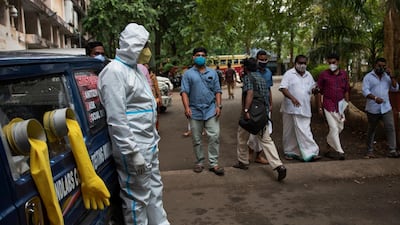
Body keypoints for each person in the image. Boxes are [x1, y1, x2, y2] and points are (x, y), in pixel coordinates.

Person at [97, 23, 170, 225]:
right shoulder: (114, 72)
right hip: (134, 148)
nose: (147, 51)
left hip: (148, 144)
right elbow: (117, 119)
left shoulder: (136, 70)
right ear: (133, 46)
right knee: (137, 200)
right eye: (144, 46)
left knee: (155, 191)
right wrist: (132, 153)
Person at [232, 58, 286, 181]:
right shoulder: (261, 78)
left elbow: (250, 93)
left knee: (242, 137)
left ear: (245, 68)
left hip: (250, 115)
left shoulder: (248, 78)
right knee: (266, 140)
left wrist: (246, 110)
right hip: (262, 114)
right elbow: (266, 95)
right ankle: (278, 165)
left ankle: (243, 161)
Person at [180, 47, 224, 176]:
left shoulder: (212, 73)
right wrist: (186, 108)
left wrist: (218, 106)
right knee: (196, 138)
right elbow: (184, 92)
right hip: (194, 110)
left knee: (214, 135)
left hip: (210, 109)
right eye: (198, 55)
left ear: (206, 57)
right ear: (193, 57)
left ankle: (213, 163)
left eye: (203, 55)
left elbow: (218, 90)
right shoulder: (188, 74)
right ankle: (199, 162)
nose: (200, 57)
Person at [279, 55, 321, 162]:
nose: (302, 65)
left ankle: (312, 152)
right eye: (300, 63)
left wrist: (315, 90)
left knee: (304, 130)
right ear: (295, 63)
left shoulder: (308, 75)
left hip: (304, 108)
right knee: (289, 131)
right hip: (290, 108)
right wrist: (292, 98)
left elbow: (312, 88)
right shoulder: (289, 74)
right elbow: (283, 88)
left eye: (304, 63)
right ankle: (290, 152)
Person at [362, 57, 399, 158]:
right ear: (375, 65)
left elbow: (395, 88)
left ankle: (392, 150)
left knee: (390, 127)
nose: (381, 68)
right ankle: (369, 150)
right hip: (373, 108)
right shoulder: (368, 77)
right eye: (379, 66)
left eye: (383, 66)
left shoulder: (387, 77)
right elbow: (365, 91)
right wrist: (375, 98)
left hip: (386, 107)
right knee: (372, 129)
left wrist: (392, 76)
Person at [317, 53, 350, 160]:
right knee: (334, 128)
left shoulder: (344, 74)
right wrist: (319, 107)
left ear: (338, 62)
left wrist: (347, 104)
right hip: (328, 104)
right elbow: (318, 91)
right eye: (330, 63)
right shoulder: (323, 75)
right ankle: (340, 151)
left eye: (334, 62)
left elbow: (346, 90)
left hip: (340, 105)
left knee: (340, 127)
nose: (332, 65)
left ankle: (327, 147)